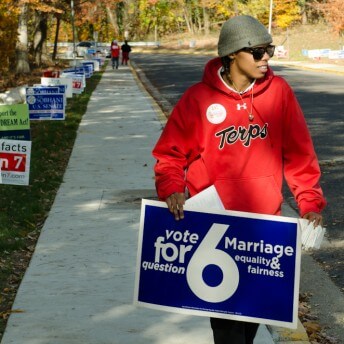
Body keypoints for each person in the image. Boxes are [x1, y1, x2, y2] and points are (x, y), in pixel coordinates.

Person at [152, 15, 326, 344]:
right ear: (233, 53)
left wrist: (309, 202)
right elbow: (170, 155)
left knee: (250, 323)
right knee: (227, 329)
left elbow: (300, 154)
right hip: (214, 228)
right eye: (258, 51)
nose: (267, 58)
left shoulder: (279, 93)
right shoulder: (198, 99)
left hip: (263, 230)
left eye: (269, 50)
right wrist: (172, 189)